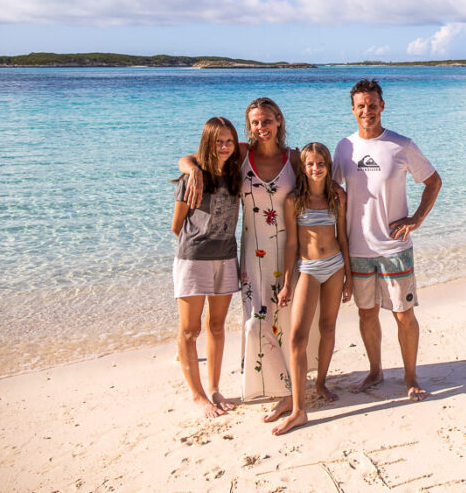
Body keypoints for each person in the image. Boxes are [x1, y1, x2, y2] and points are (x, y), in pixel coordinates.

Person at [180, 97, 299, 421]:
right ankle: (266, 384)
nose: (262, 127)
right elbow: (194, 157)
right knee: (256, 320)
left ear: (278, 120)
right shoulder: (243, 154)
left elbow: (319, 185)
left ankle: (293, 390)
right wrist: (191, 170)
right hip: (251, 253)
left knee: (288, 321)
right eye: (256, 123)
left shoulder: (296, 157)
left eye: (267, 121)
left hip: (288, 251)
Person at [333, 79, 442, 401]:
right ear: (353, 110)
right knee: (366, 313)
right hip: (358, 248)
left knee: (403, 314)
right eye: (361, 106)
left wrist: (417, 219)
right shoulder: (344, 147)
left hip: (395, 247)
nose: (367, 110)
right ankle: (376, 370)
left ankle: (410, 376)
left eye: (372, 104)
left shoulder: (401, 145)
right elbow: (331, 188)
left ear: (382, 106)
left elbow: (433, 182)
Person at [270, 142, 353, 435]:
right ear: (302, 168)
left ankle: (320, 383)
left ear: (328, 166)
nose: (315, 169)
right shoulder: (294, 200)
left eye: (320, 163)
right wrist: (285, 284)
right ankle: (298, 408)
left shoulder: (336, 197)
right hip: (308, 269)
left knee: (328, 327)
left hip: (335, 267)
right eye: (310, 164)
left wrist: (350, 277)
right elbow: (292, 243)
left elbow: (342, 237)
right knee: (297, 338)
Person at [171, 117, 241, 418]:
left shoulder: (237, 174)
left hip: (226, 257)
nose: (223, 147)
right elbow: (177, 225)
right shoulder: (193, 178)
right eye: (218, 141)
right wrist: (192, 168)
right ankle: (198, 396)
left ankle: (214, 388)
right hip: (194, 258)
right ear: (207, 143)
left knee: (216, 326)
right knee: (190, 330)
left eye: (228, 141)